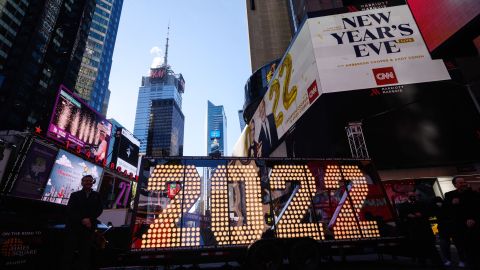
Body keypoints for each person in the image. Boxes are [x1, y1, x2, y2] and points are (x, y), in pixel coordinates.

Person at [62, 175, 103, 270]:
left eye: (90, 180)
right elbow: (70, 210)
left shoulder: (97, 195)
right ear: (82, 182)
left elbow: (99, 210)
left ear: (92, 182)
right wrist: (83, 219)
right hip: (74, 229)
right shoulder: (75, 195)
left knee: (85, 254)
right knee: (68, 253)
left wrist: (90, 219)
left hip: (89, 229)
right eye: (86, 180)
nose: (88, 182)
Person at [443, 177, 480, 268]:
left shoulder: (473, 194)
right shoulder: (449, 195)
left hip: (474, 225)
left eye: (464, 182)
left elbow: (477, 208)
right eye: (460, 183)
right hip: (459, 227)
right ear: (455, 185)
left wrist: (473, 218)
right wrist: (452, 203)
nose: (463, 184)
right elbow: (445, 211)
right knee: (463, 247)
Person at [397, 191, 442, 266]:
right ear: (407, 196)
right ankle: (422, 262)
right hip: (413, 229)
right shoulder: (403, 206)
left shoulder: (422, 203)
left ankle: (437, 262)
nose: (412, 197)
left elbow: (429, 212)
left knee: (430, 246)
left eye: (413, 195)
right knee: (418, 246)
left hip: (424, 228)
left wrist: (422, 214)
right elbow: (401, 216)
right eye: (410, 195)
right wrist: (408, 216)